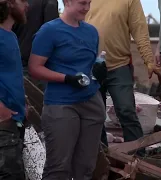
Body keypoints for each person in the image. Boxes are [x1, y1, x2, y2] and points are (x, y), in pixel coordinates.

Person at [28, 0, 106, 178]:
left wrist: (99, 69)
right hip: (61, 104)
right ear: (67, 1)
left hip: (91, 102)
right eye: (82, 3)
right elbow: (35, 68)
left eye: (89, 3)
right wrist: (67, 79)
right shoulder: (49, 31)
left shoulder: (91, 32)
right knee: (59, 167)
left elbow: (89, 63)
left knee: (86, 165)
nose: (86, 8)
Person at [85, 0, 160, 146]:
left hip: (119, 66)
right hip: (89, 66)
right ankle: (101, 157)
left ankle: (137, 155)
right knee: (95, 115)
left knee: (126, 110)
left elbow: (139, 29)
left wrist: (148, 60)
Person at [0, 0, 29, 178]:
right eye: (23, 0)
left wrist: (23, 102)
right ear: (9, 3)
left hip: (14, 120)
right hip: (3, 122)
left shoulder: (10, 35)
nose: (27, 5)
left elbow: (12, 75)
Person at [12, 0, 59, 91]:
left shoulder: (13, 3)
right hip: (39, 66)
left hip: (15, 63)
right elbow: (53, 34)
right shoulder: (49, 2)